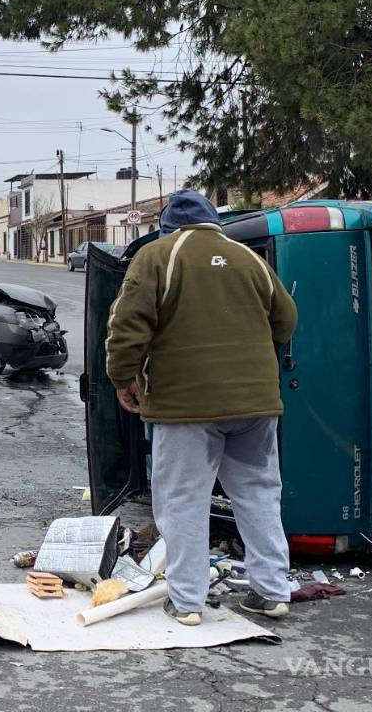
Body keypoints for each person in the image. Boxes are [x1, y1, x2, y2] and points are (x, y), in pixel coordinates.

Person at [105, 189, 298, 626]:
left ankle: (188, 602)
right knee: (258, 495)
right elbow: (286, 319)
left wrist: (123, 378)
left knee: (182, 501)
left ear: (168, 226)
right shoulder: (249, 259)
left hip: (183, 406)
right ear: (215, 221)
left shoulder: (157, 256)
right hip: (256, 405)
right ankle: (272, 592)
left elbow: (127, 326)